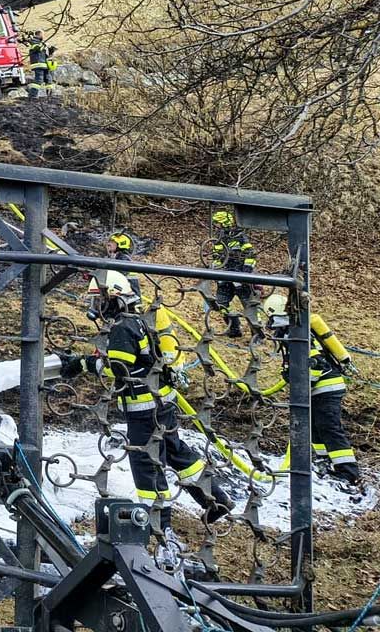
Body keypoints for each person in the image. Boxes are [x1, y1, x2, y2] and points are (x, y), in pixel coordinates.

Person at [60, 270, 234, 568]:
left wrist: (82, 364)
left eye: (99, 300)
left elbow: (118, 369)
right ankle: (215, 500)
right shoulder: (140, 319)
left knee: (147, 465)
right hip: (162, 403)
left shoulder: (123, 327)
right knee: (178, 453)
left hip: (143, 411)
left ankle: (161, 529)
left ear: (115, 298)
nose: (95, 307)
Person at [262, 294, 360, 487]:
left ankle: (349, 473)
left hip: (326, 388)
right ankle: (325, 463)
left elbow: (316, 362)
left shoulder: (296, 332)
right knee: (316, 429)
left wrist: (302, 385)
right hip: (319, 389)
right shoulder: (293, 330)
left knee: (329, 428)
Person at [209, 209, 257, 337]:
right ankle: (234, 328)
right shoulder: (219, 240)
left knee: (249, 305)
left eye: (218, 224)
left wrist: (246, 272)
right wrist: (216, 272)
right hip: (225, 278)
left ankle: (256, 333)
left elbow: (251, 254)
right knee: (221, 303)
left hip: (240, 277)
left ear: (224, 223)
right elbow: (217, 258)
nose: (216, 227)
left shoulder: (240, 237)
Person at [106, 231, 141, 296]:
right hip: (124, 288)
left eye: (112, 242)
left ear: (120, 245)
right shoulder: (116, 256)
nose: (109, 244)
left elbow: (120, 274)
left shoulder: (124, 258)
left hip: (130, 291)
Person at [26, 31, 57, 97]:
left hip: (44, 64)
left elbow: (44, 54)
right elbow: (37, 49)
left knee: (48, 79)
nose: (43, 36)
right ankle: (32, 95)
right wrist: (44, 45)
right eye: (43, 35)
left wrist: (51, 50)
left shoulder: (40, 43)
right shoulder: (34, 42)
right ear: (39, 35)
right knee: (39, 80)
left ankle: (50, 94)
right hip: (38, 64)